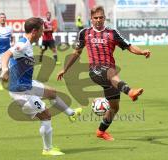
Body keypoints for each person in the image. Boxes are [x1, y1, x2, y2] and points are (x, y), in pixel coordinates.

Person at [57, 6, 151, 141]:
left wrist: (141, 52)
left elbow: (128, 46)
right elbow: (76, 52)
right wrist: (65, 69)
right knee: (110, 72)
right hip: (95, 71)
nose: (98, 20)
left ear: (104, 18)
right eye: (96, 18)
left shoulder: (112, 33)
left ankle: (101, 131)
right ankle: (130, 92)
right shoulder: (85, 33)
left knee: (114, 107)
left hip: (110, 75)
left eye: (101, 17)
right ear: (91, 19)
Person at [0, 17, 82, 156]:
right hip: (21, 91)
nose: (43, 33)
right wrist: (4, 69)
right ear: (34, 31)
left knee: (52, 93)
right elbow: (7, 54)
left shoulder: (26, 43)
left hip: (27, 84)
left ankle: (71, 114)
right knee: (46, 115)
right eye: (42, 30)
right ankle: (47, 149)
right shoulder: (23, 44)